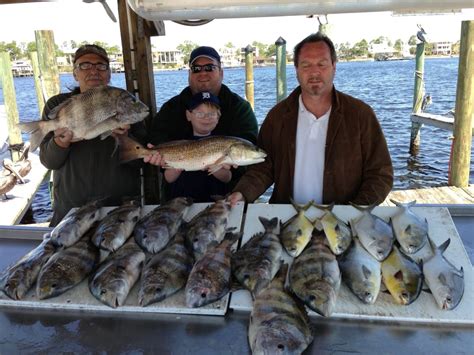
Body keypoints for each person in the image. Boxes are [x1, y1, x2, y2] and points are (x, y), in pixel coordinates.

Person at [228, 33, 393, 206]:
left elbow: (380, 173)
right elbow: (263, 167)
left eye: (322, 64)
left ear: (334, 67)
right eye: (306, 65)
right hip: (288, 220)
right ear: (297, 69)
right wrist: (243, 193)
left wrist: (355, 212)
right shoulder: (277, 117)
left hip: (342, 223)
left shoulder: (360, 115)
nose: (314, 72)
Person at [39, 44, 146, 226]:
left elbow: (142, 160)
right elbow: (49, 161)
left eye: (101, 66)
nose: (94, 71)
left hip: (119, 209)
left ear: (109, 73)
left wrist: (123, 137)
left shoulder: (124, 103)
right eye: (85, 65)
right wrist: (60, 143)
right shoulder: (58, 105)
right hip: (71, 210)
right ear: (75, 73)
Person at [146, 46, 258, 202]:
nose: (203, 73)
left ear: (221, 72)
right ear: (189, 74)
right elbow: (157, 141)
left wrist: (229, 167)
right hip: (179, 198)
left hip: (227, 197)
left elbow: (249, 145)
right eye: (196, 69)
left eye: (210, 67)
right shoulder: (171, 108)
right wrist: (158, 158)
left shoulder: (239, 108)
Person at [162, 91, 233, 202]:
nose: (206, 118)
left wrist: (215, 166)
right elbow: (169, 178)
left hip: (214, 201)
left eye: (211, 114)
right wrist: (177, 167)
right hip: (182, 202)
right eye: (200, 114)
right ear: (188, 115)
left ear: (218, 117)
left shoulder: (222, 143)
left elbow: (227, 178)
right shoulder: (179, 144)